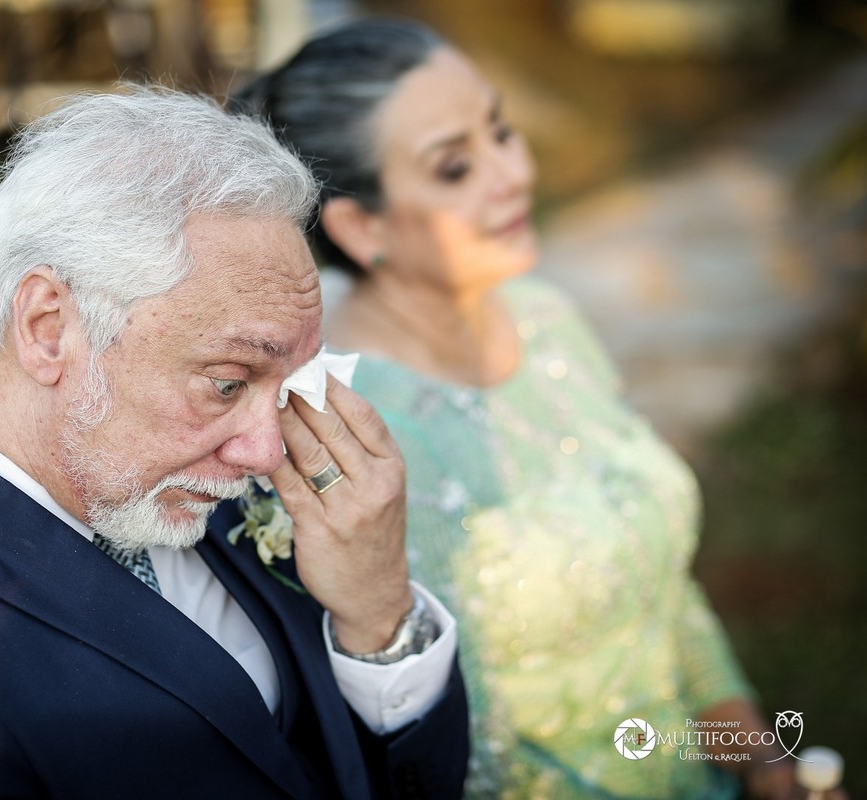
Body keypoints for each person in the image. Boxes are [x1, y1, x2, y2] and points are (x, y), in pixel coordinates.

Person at [0, 87, 471, 799]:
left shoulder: (141, 446)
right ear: (48, 327)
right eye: (227, 382)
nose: (268, 453)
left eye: (287, 386)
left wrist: (378, 617)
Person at [232, 18, 818, 800]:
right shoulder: (348, 437)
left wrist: (760, 762)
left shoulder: (546, 318)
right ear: (360, 227)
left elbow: (660, 585)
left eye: (502, 130)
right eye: (455, 167)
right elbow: (436, 745)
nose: (512, 172)